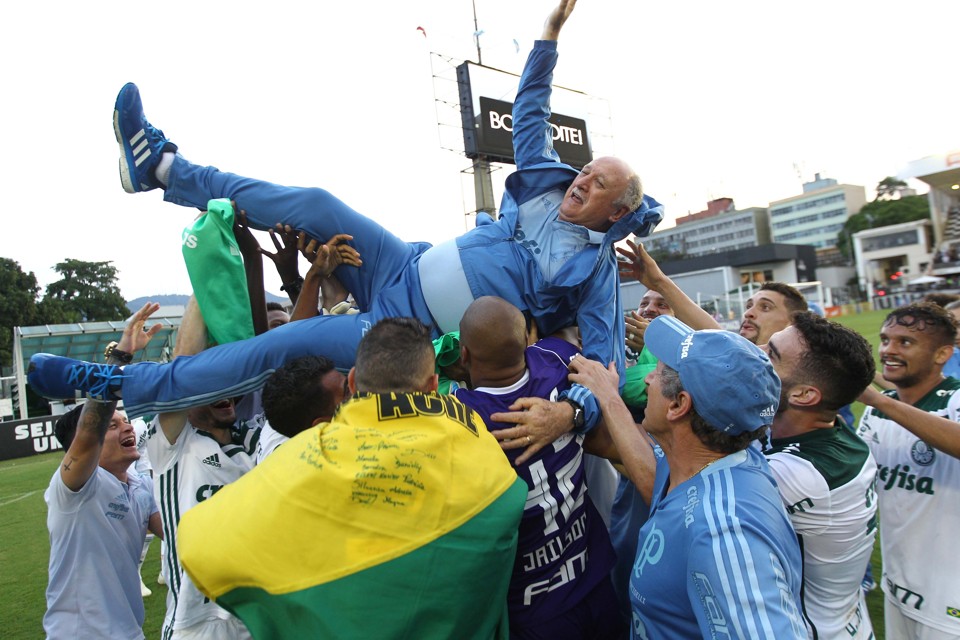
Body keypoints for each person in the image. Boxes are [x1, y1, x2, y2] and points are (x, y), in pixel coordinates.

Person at [28, 0, 662, 436]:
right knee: (317, 204)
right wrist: (550, 30)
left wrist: (571, 415)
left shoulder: (596, 277)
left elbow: (602, 368)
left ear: (620, 210)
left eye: (598, 181)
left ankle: (112, 383)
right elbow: (530, 107)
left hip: (406, 330)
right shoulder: (547, 186)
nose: (582, 179)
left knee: (280, 345)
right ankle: (164, 169)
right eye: (586, 170)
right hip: (399, 261)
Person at [176, 318, 527, 639]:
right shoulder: (471, 434)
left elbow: (199, 540)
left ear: (355, 380)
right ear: (433, 386)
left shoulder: (307, 456)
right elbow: (507, 504)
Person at [568, 316, 805, 639]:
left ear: (679, 405)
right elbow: (657, 476)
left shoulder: (724, 534)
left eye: (659, 371)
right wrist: (608, 399)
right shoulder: (726, 455)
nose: (648, 378)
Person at [451, 296, 622, 639]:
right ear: (527, 342)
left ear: (464, 355)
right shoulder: (556, 358)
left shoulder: (459, 418)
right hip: (594, 576)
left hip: (533, 607)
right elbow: (604, 376)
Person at [43, 304, 163, 640]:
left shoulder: (139, 486)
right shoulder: (75, 488)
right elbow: (88, 432)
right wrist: (121, 355)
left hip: (130, 630)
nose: (126, 428)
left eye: (125, 421)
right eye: (112, 426)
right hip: (79, 633)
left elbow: (177, 532)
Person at [146, 296, 263, 639]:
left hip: (255, 613)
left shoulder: (256, 437)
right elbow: (181, 372)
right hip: (195, 623)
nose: (223, 393)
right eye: (209, 386)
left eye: (226, 384)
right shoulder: (173, 445)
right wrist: (206, 285)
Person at [761, 311, 878, 639]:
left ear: (803, 395)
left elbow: (673, 489)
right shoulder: (841, 436)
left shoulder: (799, 475)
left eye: (771, 354)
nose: (754, 354)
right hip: (849, 623)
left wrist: (611, 404)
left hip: (811, 631)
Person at [856, 302, 960, 638]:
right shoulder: (877, 415)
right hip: (898, 585)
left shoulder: (954, 400)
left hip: (950, 598)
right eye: (885, 340)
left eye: (905, 342)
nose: (888, 350)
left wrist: (885, 401)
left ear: (942, 353)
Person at [617, 239, 806, 346]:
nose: (748, 313)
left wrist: (657, 346)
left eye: (765, 307)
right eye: (748, 306)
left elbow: (725, 345)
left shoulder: (790, 374)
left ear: (793, 323)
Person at [256, 354, 348, 462]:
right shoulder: (319, 468)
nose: (357, 389)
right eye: (347, 391)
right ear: (321, 424)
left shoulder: (287, 412)